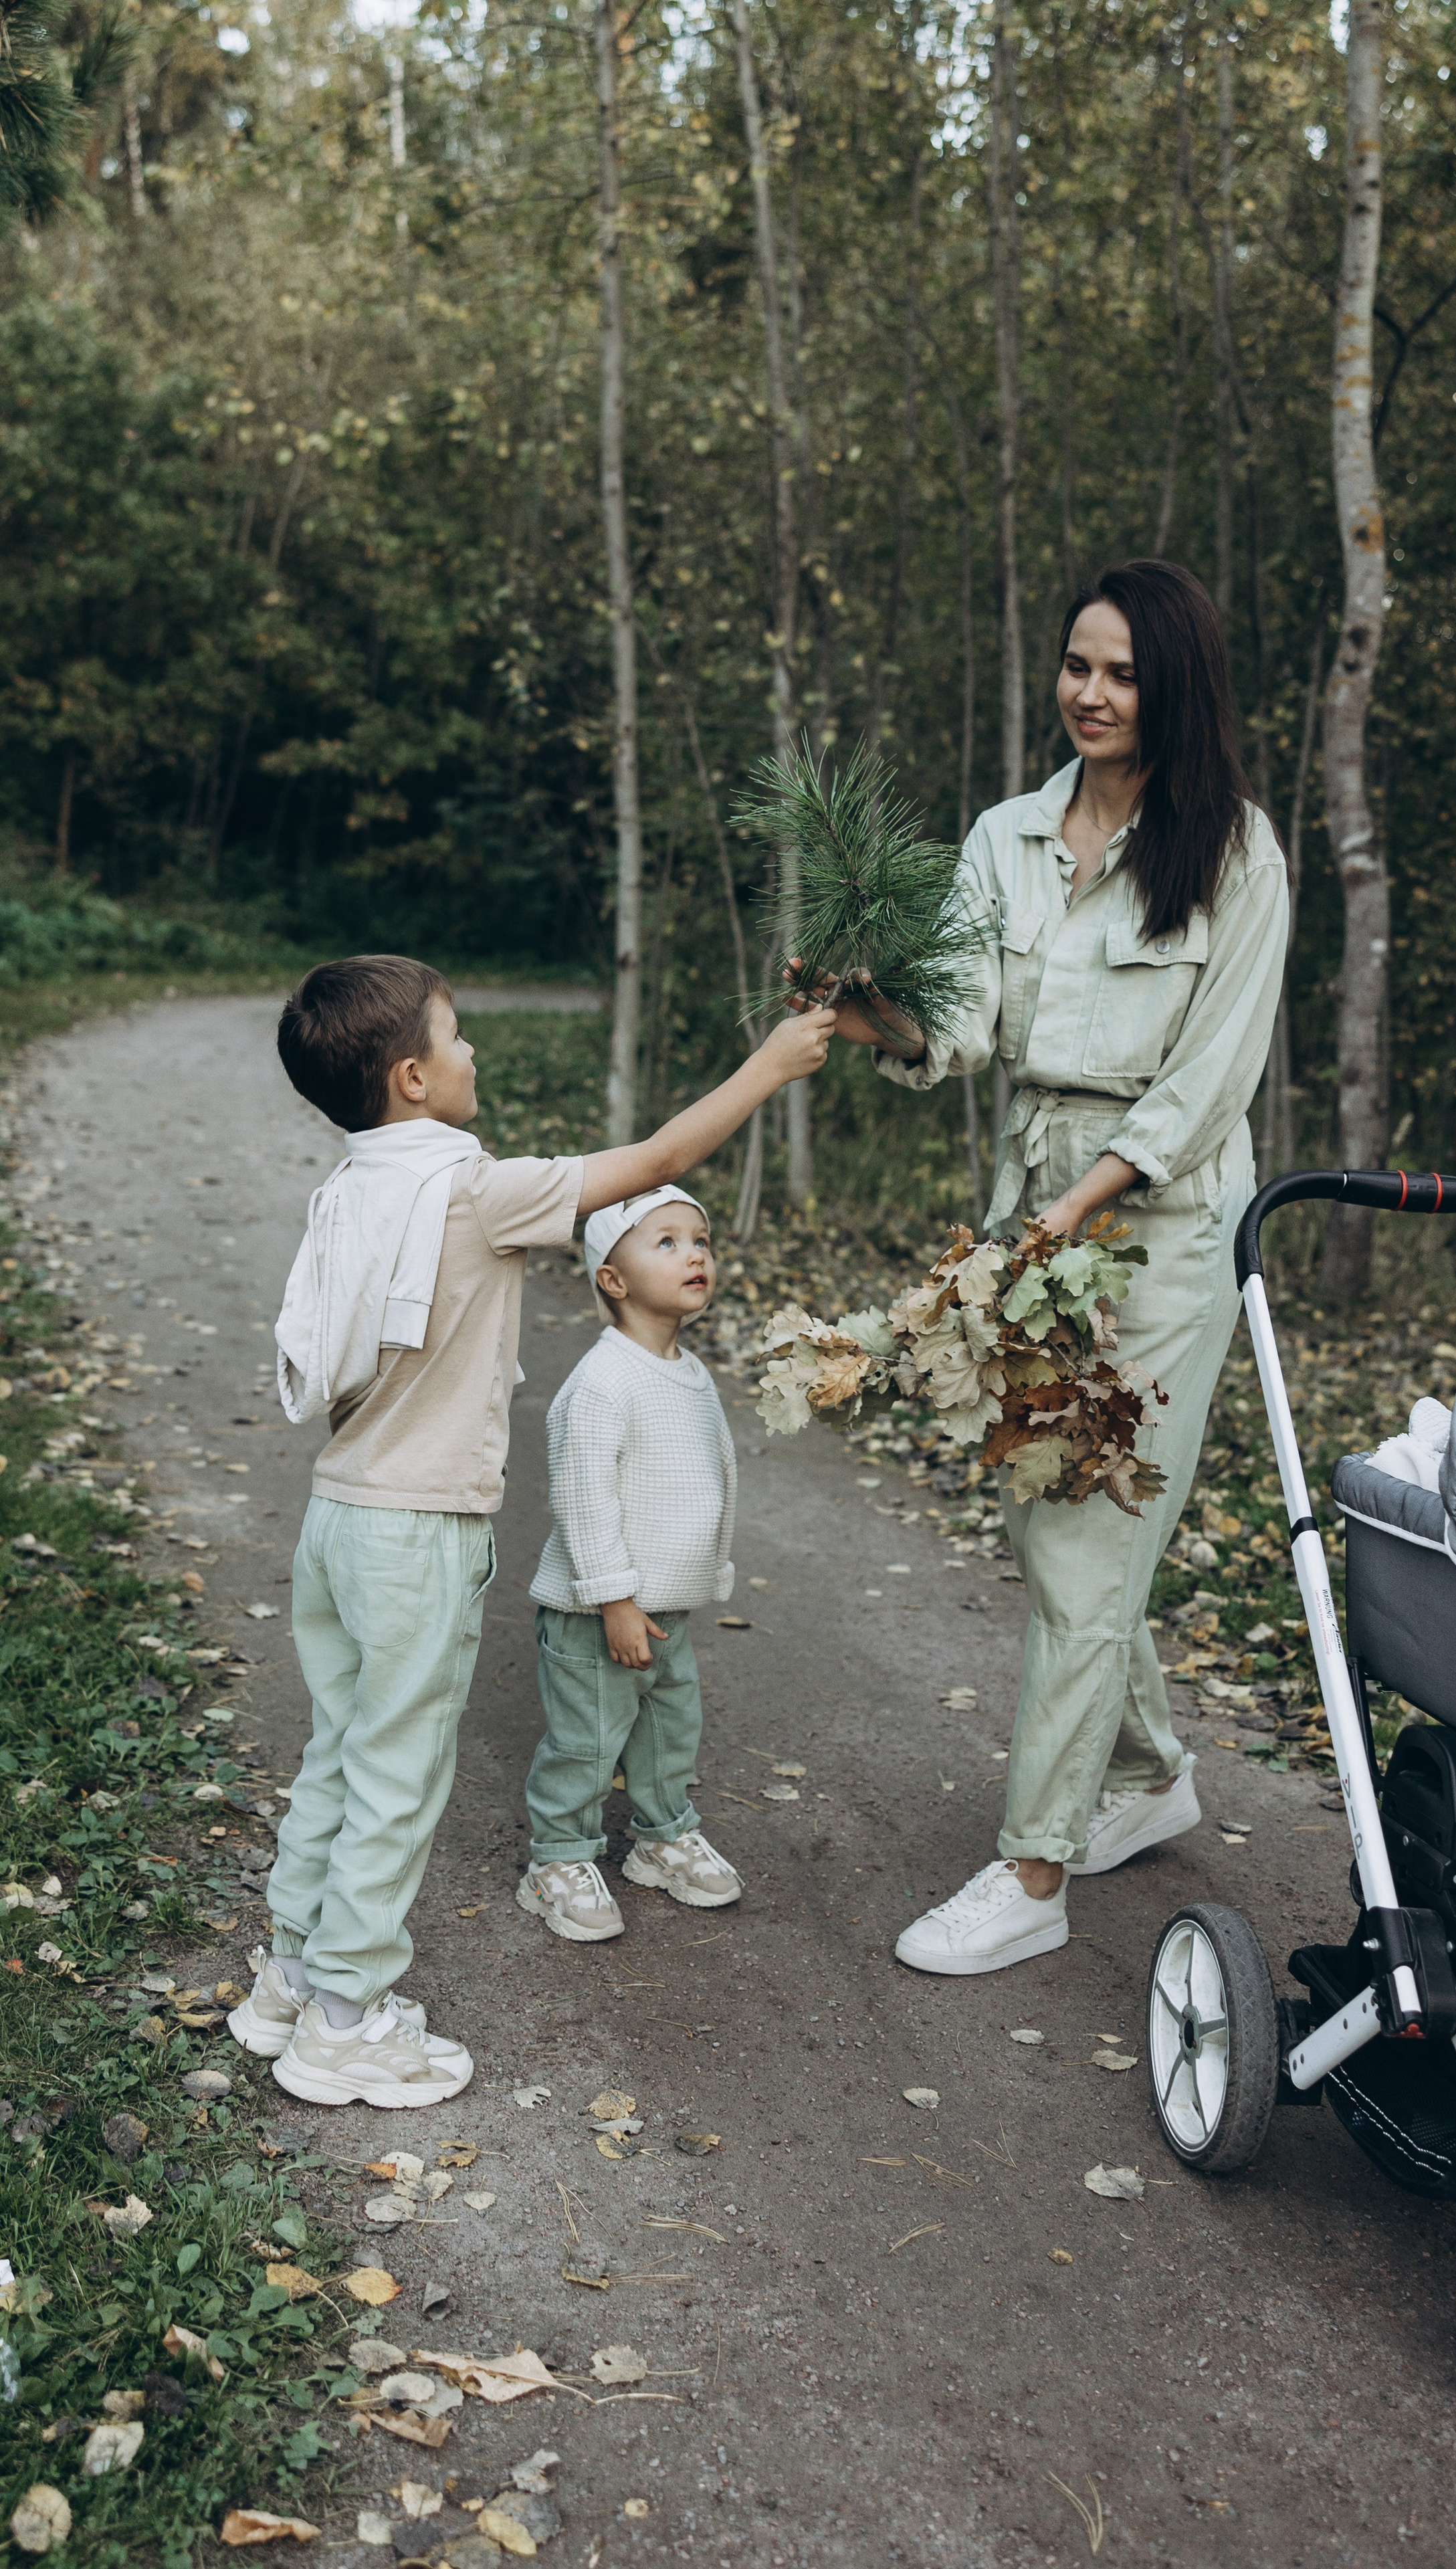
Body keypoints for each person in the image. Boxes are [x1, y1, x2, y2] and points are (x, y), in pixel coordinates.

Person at [795, 558, 1289, 1974]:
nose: (1088, 692)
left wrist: (1073, 1213)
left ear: (1174, 687)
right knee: (1045, 1509)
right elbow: (952, 1025)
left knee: (1089, 1532)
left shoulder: (1237, 854)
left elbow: (1206, 1085)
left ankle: (1031, 1868)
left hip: (1165, 1218)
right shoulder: (1005, 835)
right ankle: (1147, 1777)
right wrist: (861, 1009)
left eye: (1122, 672)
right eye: (1076, 664)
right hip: (1034, 1199)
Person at [227, 957, 834, 2102]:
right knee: (399, 1776)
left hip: (340, 1518)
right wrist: (770, 1064)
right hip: (416, 1537)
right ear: (411, 1078)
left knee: (340, 1755)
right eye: (457, 1040)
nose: (474, 1058)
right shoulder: (468, 1186)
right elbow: (653, 1166)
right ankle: (347, 2020)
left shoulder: (354, 1183)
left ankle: (291, 1980)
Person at [516, 1186, 743, 1942]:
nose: (696, 1255)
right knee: (588, 1738)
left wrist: (702, 1576)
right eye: (668, 1242)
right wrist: (613, 1599)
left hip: (665, 1605)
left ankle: (661, 1836)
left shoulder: (688, 1372)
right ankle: (557, 1857)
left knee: (668, 1727)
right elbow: (583, 1496)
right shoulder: (603, 1380)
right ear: (612, 1280)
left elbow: (710, 1474)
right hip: (595, 1612)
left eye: (701, 1241)